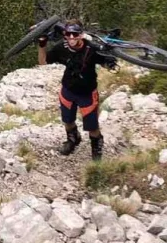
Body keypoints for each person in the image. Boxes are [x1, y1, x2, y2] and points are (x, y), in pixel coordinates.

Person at [38, 20, 116, 160]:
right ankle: (73, 140)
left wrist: (110, 62)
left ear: (81, 35)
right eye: (69, 34)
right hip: (68, 91)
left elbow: (105, 61)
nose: (72, 37)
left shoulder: (91, 48)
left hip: (87, 93)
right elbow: (43, 62)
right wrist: (42, 44)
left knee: (92, 127)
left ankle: (96, 150)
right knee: (68, 121)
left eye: (75, 34)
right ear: (65, 35)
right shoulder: (61, 47)